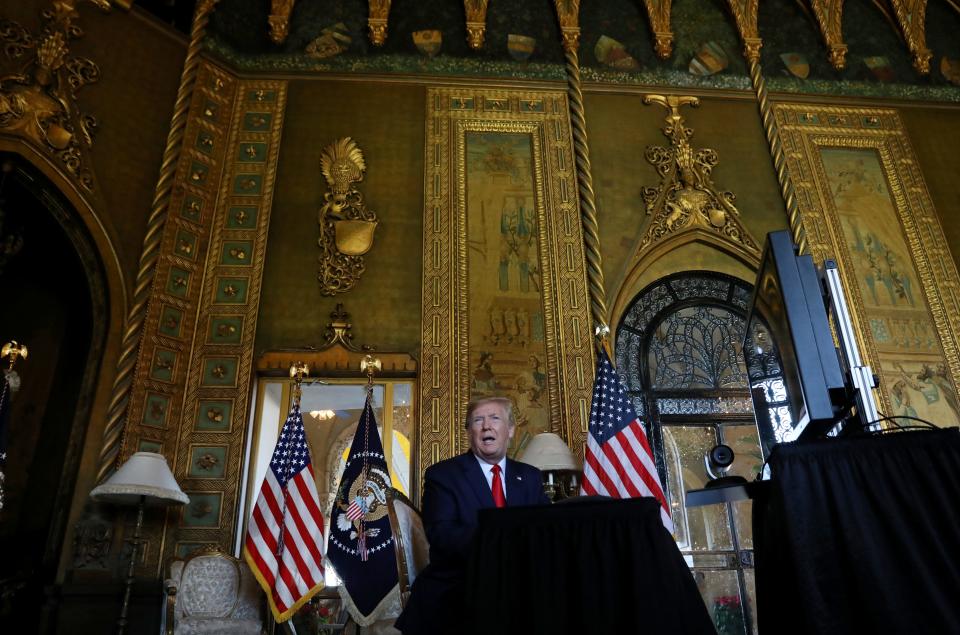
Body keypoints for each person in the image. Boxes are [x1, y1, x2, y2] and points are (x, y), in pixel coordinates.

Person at [395, 396, 550, 634]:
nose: (486, 425)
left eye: (495, 418)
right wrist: (505, 545)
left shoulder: (530, 476)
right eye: (478, 420)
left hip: (522, 590)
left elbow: (545, 530)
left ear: (510, 430)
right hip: (459, 591)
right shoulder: (443, 475)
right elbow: (442, 534)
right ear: (469, 431)